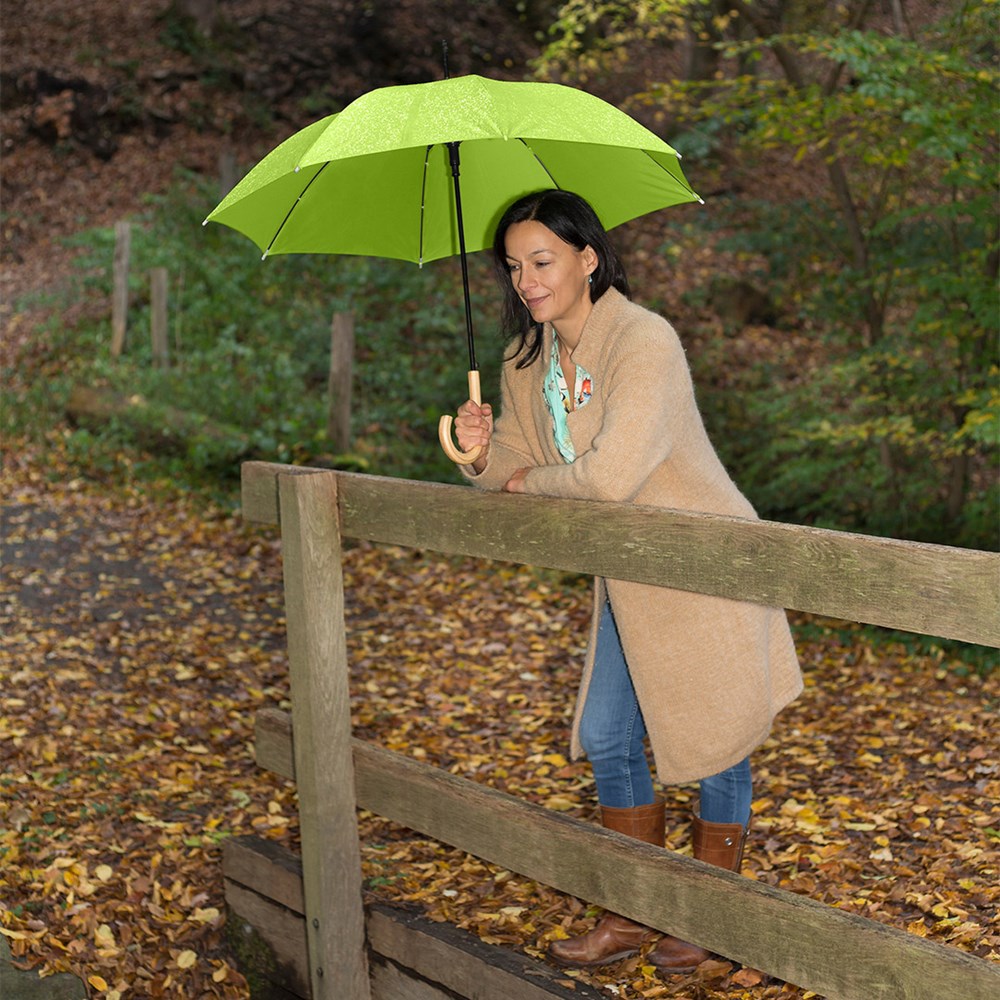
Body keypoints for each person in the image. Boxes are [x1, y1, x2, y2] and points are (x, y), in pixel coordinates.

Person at [452, 189, 803, 972]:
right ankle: (633, 912)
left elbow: (610, 478)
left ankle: (712, 922)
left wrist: (530, 482)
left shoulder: (645, 341)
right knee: (610, 735)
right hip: (634, 573)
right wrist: (481, 452)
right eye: (513, 266)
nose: (526, 281)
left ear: (588, 259)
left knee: (716, 742)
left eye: (542, 261)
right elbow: (514, 466)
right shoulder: (526, 359)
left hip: (705, 560)